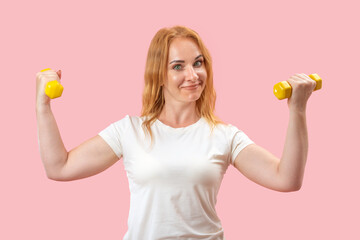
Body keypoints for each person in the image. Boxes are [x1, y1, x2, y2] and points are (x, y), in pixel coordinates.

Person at [36, 25, 316, 240]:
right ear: (158, 75)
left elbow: (287, 178)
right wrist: (42, 105)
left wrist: (298, 110)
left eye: (198, 63)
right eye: (178, 67)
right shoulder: (129, 130)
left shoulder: (224, 135)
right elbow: (60, 167)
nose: (193, 76)